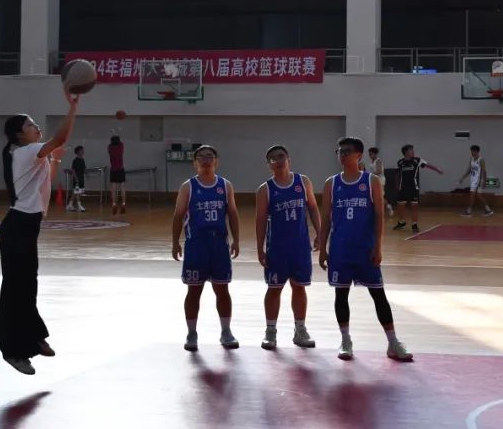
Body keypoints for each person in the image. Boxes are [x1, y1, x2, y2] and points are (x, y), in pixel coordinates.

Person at [0, 86, 79, 375]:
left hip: (26, 228)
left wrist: (56, 158)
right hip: (17, 227)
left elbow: (47, 181)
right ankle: (12, 350)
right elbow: (61, 137)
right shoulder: (25, 152)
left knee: (28, 285)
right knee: (15, 290)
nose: (35, 127)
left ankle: (33, 337)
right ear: (20, 135)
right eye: (30, 125)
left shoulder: (34, 155)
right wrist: (73, 107)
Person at [319, 136, 413, 362]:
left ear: (358, 155)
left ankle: (393, 342)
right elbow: (326, 218)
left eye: (347, 151)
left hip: (365, 249)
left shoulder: (371, 181)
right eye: (339, 151)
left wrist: (378, 247)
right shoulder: (332, 183)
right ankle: (345, 340)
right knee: (341, 295)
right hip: (340, 250)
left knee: (378, 295)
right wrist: (322, 248)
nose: (342, 155)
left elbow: (379, 216)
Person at [172, 145, 241, 351]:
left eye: (209, 156)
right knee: (194, 291)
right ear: (195, 163)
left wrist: (237, 240)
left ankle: (226, 331)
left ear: (216, 161)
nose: (205, 159)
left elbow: (233, 214)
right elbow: (178, 215)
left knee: (222, 289)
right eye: (201, 157)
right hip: (196, 246)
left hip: (219, 246)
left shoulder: (225, 185)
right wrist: (175, 242)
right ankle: (191, 333)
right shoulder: (188, 187)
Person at [255, 144, 321, 350]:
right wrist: (259, 248)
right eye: (273, 158)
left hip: (300, 247)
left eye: (281, 156)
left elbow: (313, 208)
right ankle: (270, 331)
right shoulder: (265, 189)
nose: (278, 160)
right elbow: (260, 220)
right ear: (269, 165)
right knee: (274, 289)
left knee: (299, 287)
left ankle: (300, 330)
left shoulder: (303, 181)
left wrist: (320, 233)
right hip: (277, 248)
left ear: (289, 159)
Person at [393, 144, 443, 233]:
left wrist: (438, 170)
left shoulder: (417, 160)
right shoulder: (400, 162)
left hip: (413, 187)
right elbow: (397, 174)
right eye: (411, 150)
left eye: (413, 150)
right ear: (406, 152)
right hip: (403, 188)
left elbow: (428, 165)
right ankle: (401, 222)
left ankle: (414, 224)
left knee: (414, 207)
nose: (413, 152)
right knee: (400, 206)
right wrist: (397, 185)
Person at [458, 145, 494, 218]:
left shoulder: (481, 160)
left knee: (472, 195)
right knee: (478, 195)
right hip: (473, 180)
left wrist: (484, 182)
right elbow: (469, 170)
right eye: (471, 151)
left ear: (477, 152)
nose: (472, 152)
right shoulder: (472, 159)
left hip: (478, 180)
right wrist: (463, 177)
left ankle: (468, 212)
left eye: (473, 151)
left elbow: (484, 171)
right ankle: (488, 210)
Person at [365, 147, 393, 217]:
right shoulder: (372, 161)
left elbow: (379, 171)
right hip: (374, 180)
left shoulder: (378, 161)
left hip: (380, 180)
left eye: (371, 154)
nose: (370, 155)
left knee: (380, 196)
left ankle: (388, 207)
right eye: (369, 154)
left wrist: (370, 174)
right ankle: (382, 208)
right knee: (374, 195)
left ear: (375, 154)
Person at [108, 135, 126, 214]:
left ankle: (114, 204)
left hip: (113, 170)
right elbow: (121, 143)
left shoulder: (110, 147)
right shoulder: (121, 146)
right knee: (122, 187)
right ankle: (123, 203)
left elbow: (111, 144)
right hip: (120, 169)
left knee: (113, 188)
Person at [68, 145, 87, 212]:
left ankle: (70, 205)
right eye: (81, 151)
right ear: (78, 152)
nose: (83, 152)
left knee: (75, 192)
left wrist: (85, 171)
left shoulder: (82, 160)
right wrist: (76, 179)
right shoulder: (75, 160)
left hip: (81, 179)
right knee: (77, 192)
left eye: (83, 150)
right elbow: (73, 170)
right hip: (77, 179)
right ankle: (79, 206)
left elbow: (84, 168)